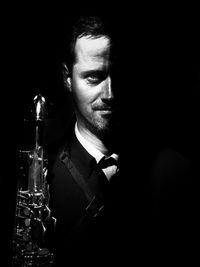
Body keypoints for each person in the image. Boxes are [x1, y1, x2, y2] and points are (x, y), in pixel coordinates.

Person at [44, 15, 133, 266]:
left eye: (117, 74)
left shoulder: (173, 170)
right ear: (67, 78)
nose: (110, 94)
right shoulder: (41, 175)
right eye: (93, 77)